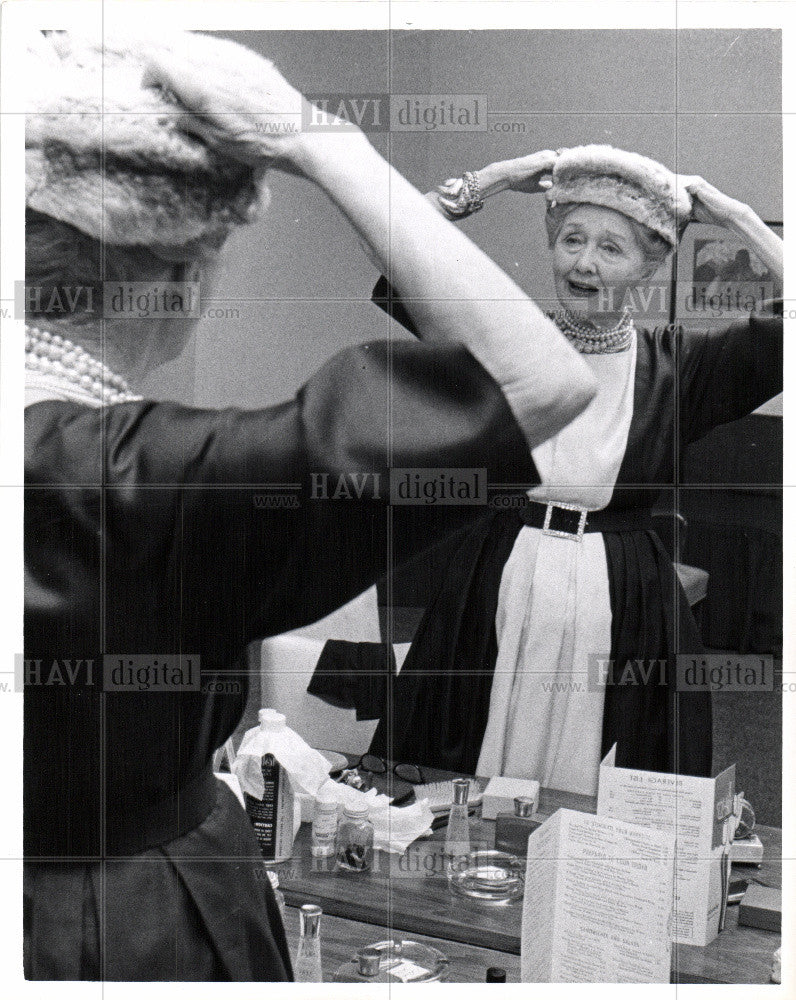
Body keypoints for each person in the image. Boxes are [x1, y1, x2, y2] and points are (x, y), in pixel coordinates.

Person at [22, 30, 595, 981]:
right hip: (115, 922)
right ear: (177, 280)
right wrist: (318, 138)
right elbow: (533, 382)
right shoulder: (133, 479)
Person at [365, 144, 783, 792]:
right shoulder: (508, 341)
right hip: (496, 580)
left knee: (611, 793)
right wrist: (491, 179)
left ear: (648, 267)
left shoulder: (683, 366)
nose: (584, 262)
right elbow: (394, 245)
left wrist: (733, 216)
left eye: (611, 248)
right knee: (455, 785)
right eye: (572, 239)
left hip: (624, 601)